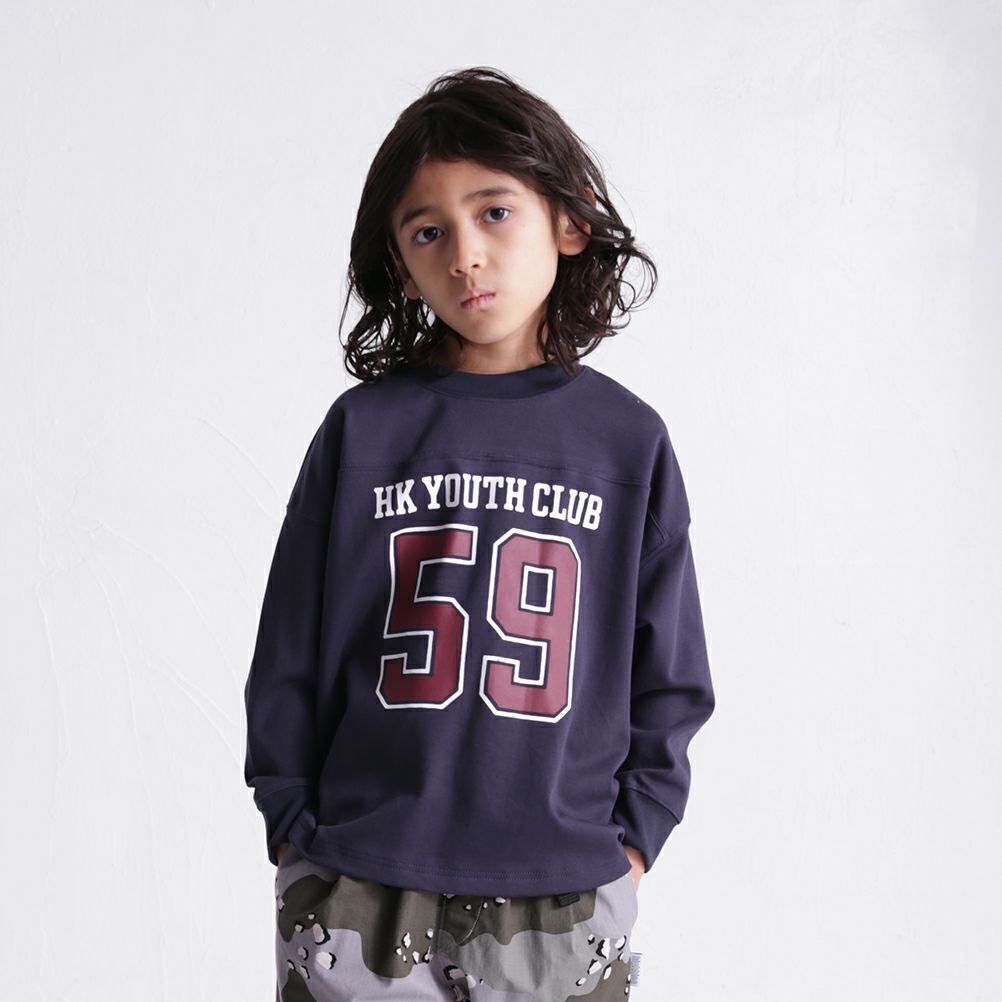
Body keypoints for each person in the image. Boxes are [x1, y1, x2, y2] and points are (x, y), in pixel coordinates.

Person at [243, 66, 715, 1001]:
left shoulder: (627, 443)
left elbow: (671, 674)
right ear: (399, 261)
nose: (465, 255)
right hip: (359, 882)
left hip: (564, 895)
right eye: (428, 231)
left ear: (568, 222)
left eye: (494, 213)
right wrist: (295, 834)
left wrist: (632, 843)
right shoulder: (363, 433)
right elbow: (289, 648)